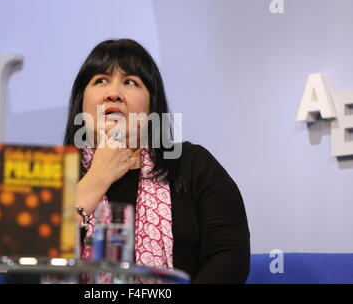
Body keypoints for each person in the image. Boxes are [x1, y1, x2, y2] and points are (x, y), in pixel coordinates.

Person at [64, 38, 250, 283]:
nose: (114, 94)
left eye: (130, 82)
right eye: (101, 80)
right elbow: (27, 270)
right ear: (81, 102)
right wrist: (98, 176)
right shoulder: (51, 174)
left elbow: (230, 259)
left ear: (152, 106)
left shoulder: (193, 164)